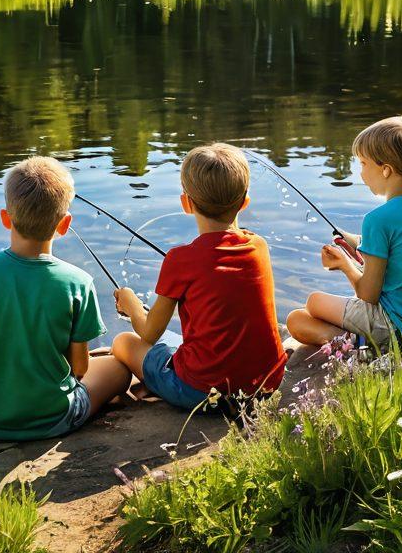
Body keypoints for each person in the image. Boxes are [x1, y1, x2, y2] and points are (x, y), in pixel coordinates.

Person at [0, 156, 131, 440]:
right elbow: (80, 369)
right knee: (118, 369)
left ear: (5, 218)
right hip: (54, 418)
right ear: (64, 224)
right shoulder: (78, 282)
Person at [112, 143, 287, 411]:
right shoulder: (258, 246)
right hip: (265, 384)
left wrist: (130, 302)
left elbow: (148, 333)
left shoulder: (180, 259)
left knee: (123, 342)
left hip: (205, 394)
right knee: (175, 340)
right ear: (245, 203)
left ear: (186, 203)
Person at [286, 117, 402, 351]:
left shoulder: (377, 219)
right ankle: (360, 342)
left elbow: (368, 295)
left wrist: (344, 264)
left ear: (386, 170)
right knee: (310, 314)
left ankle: (360, 347)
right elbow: (397, 247)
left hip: (400, 326)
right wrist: (352, 241)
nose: (360, 172)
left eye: (363, 164)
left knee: (306, 310)